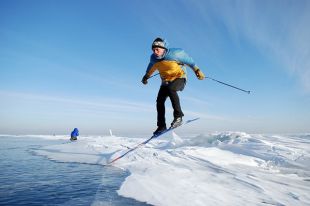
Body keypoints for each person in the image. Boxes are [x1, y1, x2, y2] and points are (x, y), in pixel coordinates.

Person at [142, 37, 205, 136]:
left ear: (164, 49)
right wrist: (146, 77)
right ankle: (161, 126)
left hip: (180, 77)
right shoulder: (154, 58)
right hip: (166, 81)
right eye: (153, 50)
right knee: (159, 101)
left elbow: (190, 61)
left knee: (172, 89)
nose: (155, 51)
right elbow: (151, 67)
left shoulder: (175, 54)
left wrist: (197, 70)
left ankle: (178, 117)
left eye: (157, 49)